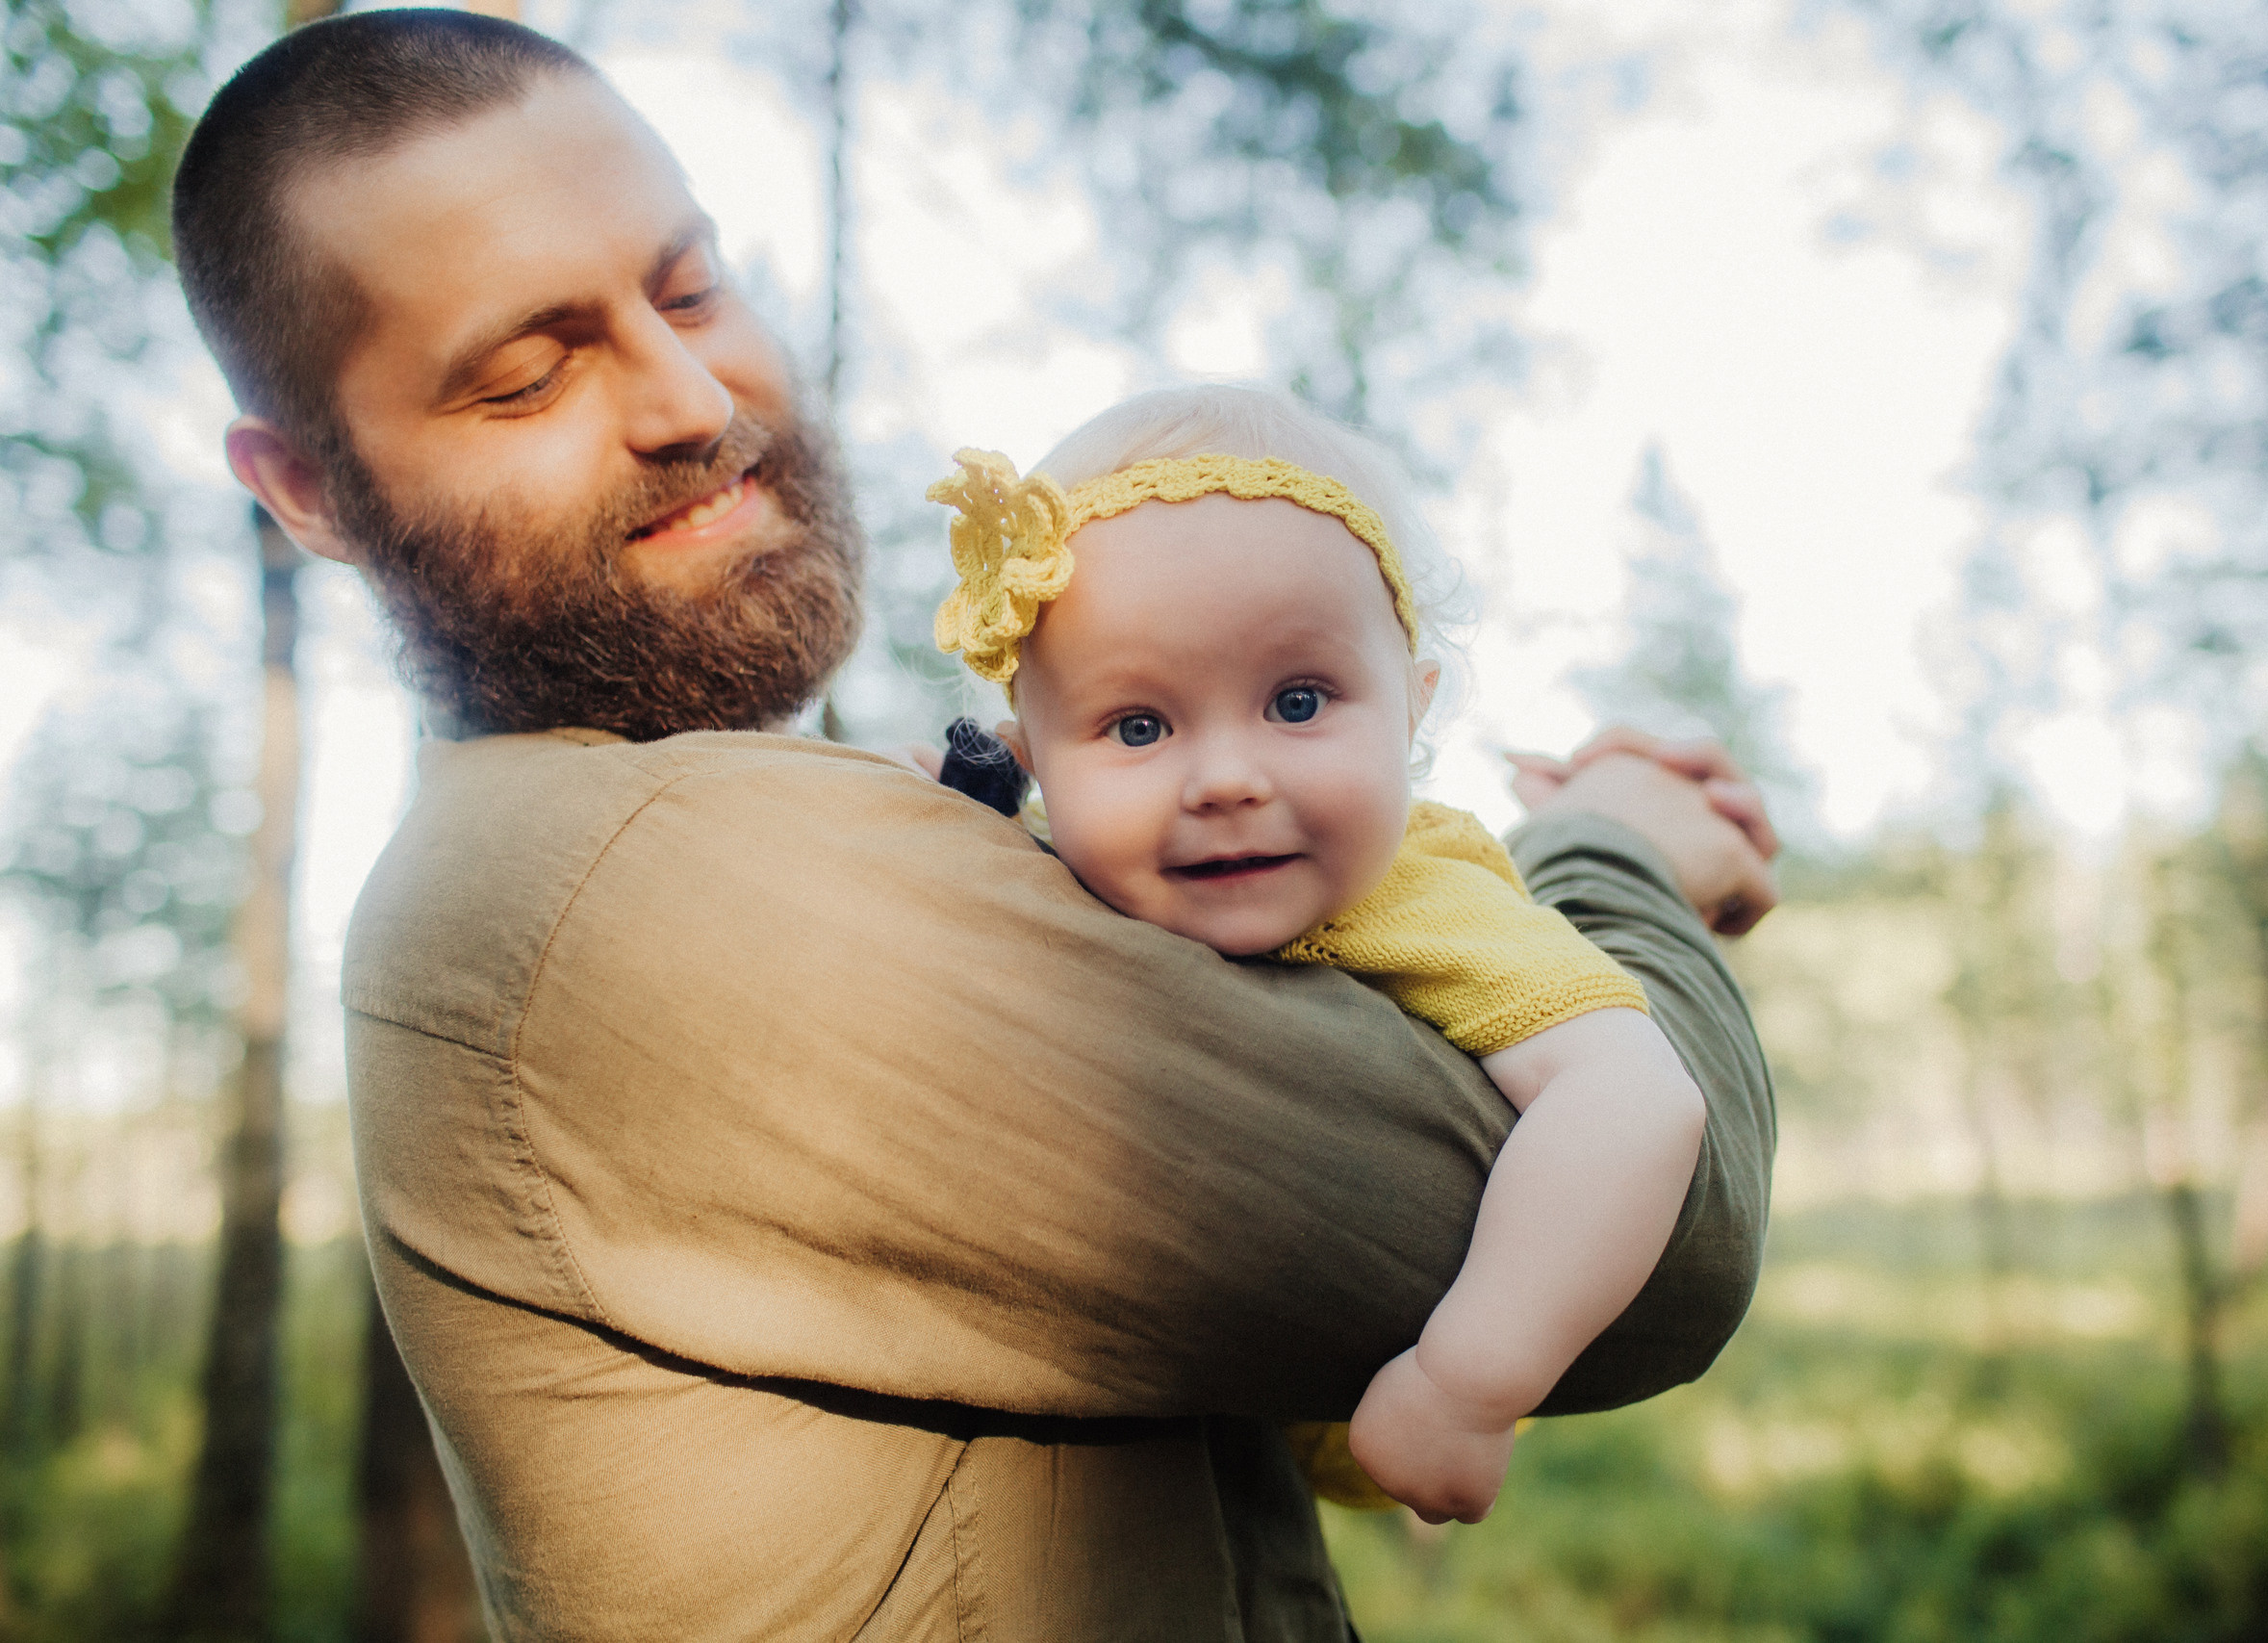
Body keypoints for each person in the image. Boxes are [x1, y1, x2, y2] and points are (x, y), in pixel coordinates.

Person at [171, 10, 1780, 1640]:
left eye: (689, 287)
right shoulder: (641, 893)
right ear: (304, 489)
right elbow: (1671, 1240)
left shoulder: (774, 825)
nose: (683, 397)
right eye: (525, 375)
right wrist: (1619, 857)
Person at [918, 388, 1710, 1526]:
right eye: (1138, 726)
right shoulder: (1038, 864)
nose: (1228, 778)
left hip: (1377, 1393)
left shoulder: (1423, 897)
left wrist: (1471, 1383)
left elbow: (1635, 1100)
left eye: (1297, 701)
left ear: (1411, 710)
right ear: (1030, 752)